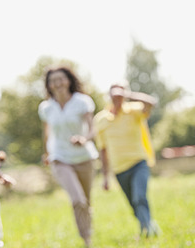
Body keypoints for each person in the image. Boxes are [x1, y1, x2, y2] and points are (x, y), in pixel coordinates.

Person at [38, 66, 99, 247]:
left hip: (84, 157)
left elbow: (93, 128)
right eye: (53, 80)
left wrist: (84, 138)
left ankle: (88, 231)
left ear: (69, 80)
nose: (57, 83)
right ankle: (87, 241)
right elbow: (47, 132)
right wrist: (47, 153)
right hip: (60, 157)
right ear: (49, 85)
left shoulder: (82, 101)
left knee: (86, 202)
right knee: (77, 199)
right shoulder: (46, 107)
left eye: (61, 79)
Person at [93, 83, 161, 237]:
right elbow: (103, 150)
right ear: (108, 96)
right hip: (119, 169)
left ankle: (147, 231)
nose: (117, 97)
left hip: (139, 163)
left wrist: (128, 94)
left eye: (120, 93)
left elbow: (152, 102)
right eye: (114, 93)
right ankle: (149, 224)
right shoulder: (101, 119)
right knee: (133, 204)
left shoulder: (134, 110)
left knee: (140, 197)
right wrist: (105, 177)